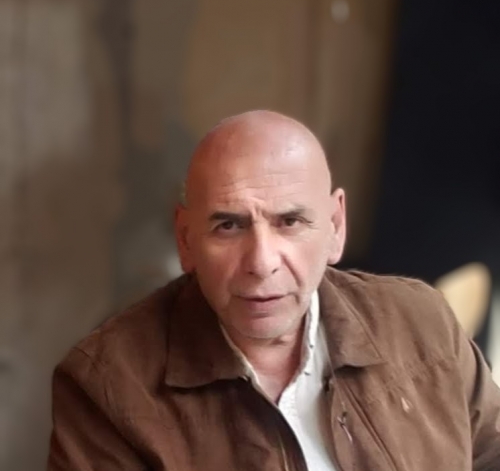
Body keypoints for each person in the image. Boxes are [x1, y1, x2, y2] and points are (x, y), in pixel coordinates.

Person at [48, 110, 500, 471]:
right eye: (229, 226)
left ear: (335, 226)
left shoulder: (420, 321)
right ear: (185, 240)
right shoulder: (107, 385)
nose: (262, 262)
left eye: (290, 221)